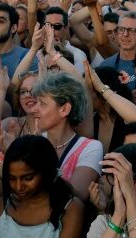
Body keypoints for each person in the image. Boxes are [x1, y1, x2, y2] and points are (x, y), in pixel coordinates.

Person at [28, 72, 103, 200]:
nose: (33, 110)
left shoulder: (90, 148)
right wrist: (5, 156)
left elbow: (77, 195)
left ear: (64, 109)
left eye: (42, 103)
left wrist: (39, 155)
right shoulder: (32, 142)